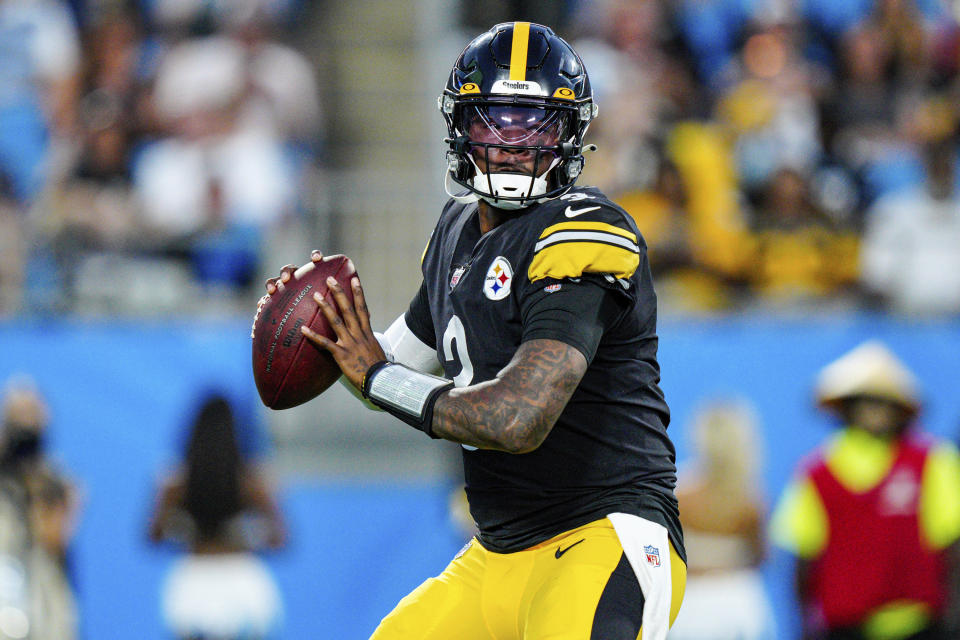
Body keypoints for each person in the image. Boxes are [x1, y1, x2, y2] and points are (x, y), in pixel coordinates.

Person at [264, 22, 686, 639]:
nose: (514, 143)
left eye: (537, 124)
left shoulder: (587, 229)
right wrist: (323, 332)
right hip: (497, 554)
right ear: (462, 129)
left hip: (600, 537)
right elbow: (389, 365)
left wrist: (376, 375)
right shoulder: (457, 230)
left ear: (571, 136)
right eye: (495, 121)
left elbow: (518, 417)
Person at [769, 341, 960, 640]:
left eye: (883, 402)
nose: (874, 412)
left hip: (921, 624)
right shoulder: (816, 472)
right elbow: (805, 558)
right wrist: (805, 625)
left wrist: (954, 618)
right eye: (864, 402)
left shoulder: (933, 462)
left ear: (900, 410)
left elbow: (951, 547)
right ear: (844, 408)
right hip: (844, 627)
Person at [147, 393, 286, 640]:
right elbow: (279, 540)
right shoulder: (252, 483)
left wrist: (185, 531)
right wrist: (243, 536)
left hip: (193, 582)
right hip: (242, 581)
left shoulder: (175, 484)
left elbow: (153, 537)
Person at [668, 399, 776, 640]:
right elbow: (761, 557)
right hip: (737, 608)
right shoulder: (751, 501)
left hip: (690, 608)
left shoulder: (679, 495)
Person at [0, 377, 79, 640]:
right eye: (19, 415)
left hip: (41, 594)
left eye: (32, 414)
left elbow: (54, 539)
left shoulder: (54, 481)